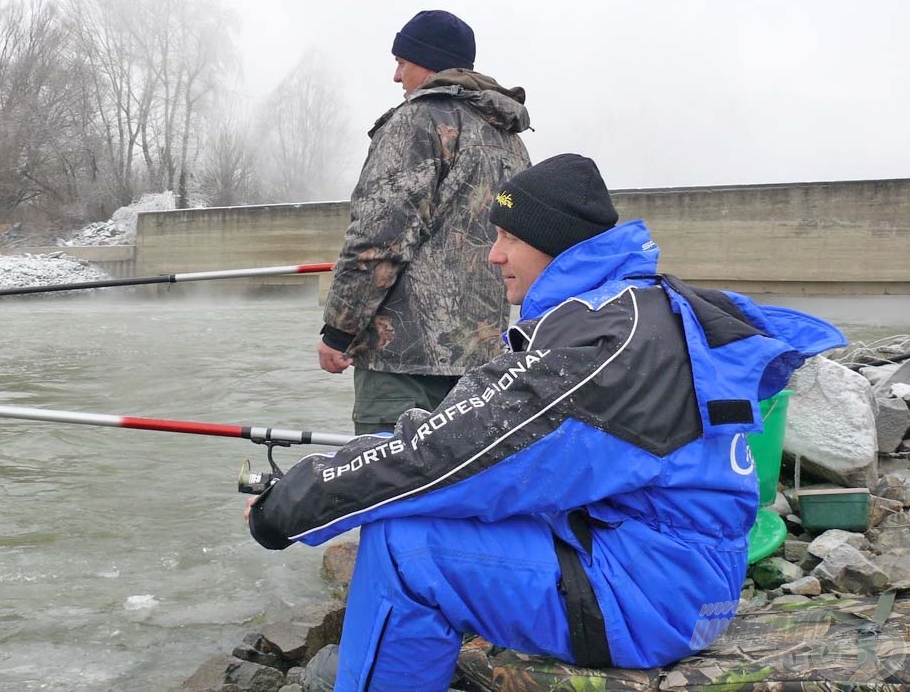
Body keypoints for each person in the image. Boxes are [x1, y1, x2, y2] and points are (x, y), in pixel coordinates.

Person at [252, 154, 845, 691]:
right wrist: (367, 461)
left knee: (408, 549)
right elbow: (484, 443)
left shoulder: (604, 344)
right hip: (671, 569)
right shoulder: (632, 309)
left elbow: (457, 455)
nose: (493, 254)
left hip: (652, 597)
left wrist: (298, 500)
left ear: (555, 244)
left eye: (509, 235)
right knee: (435, 496)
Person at [317, 9, 532, 435]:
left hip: (403, 365)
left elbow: (377, 241)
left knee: (393, 494)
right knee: (460, 494)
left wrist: (338, 331)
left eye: (402, 63)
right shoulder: (508, 137)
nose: (397, 77)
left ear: (429, 62)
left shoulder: (418, 121)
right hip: (483, 369)